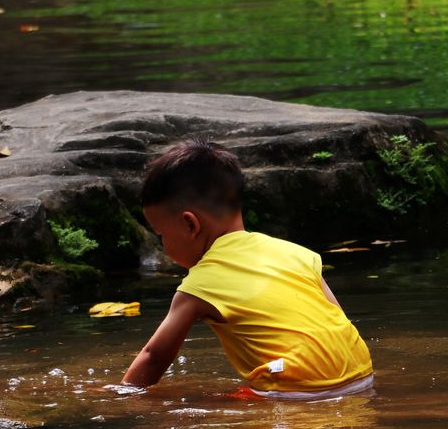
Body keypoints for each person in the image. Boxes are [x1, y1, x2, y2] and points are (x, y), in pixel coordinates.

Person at [122, 138, 374, 398]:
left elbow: (154, 357)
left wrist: (120, 394)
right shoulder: (295, 253)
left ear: (190, 224)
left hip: (297, 388)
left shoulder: (199, 285)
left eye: (161, 235)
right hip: (361, 373)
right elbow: (336, 318)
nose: (163, 247)